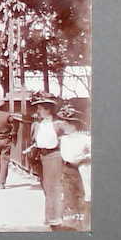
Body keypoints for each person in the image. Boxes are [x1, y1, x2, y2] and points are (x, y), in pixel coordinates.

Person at [29, 92, 75, 230]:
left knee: (53, 187)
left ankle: (54, 219)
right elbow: (33, 140)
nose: (37, 111)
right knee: (46, 187)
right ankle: (53, 216)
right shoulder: (37, 125)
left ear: (48, 109)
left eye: (40, 108)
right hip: (40, 157)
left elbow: (72, 135)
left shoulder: (59, 123)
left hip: (54, 157)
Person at [57, 104, 91, 231]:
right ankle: (70, 224)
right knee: (68, 196)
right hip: (67, 169)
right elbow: (64, 155)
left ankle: (83, 224)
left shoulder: (84, 139)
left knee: (81, 196)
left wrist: (85, 157)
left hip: (81, 170)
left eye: (66, 124)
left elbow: (94, 151)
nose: (64, 126)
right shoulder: (64, 139)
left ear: (73, 125)